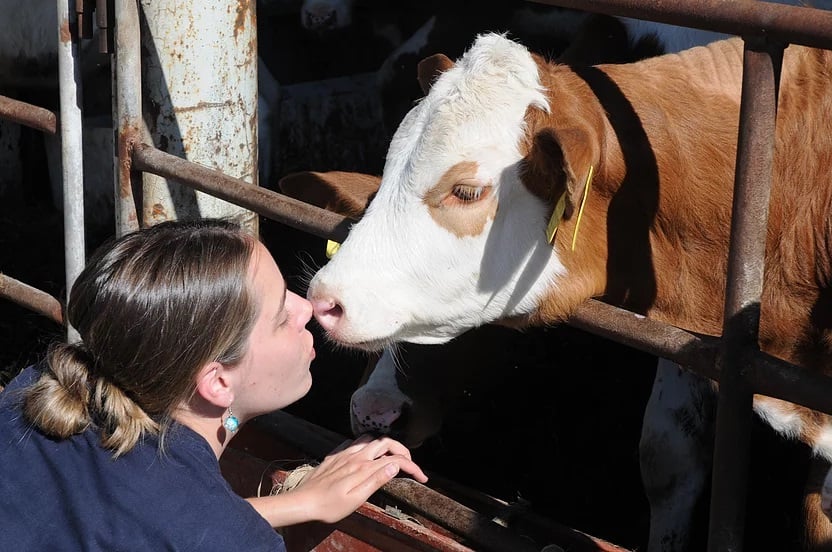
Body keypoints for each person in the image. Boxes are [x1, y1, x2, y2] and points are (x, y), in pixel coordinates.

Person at [0, 218, 427, 551]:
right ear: (218, 382)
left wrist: (296, 503)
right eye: (281, 315)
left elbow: (132, 523)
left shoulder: (32, 394)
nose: (306, 308)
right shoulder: (233, 542)